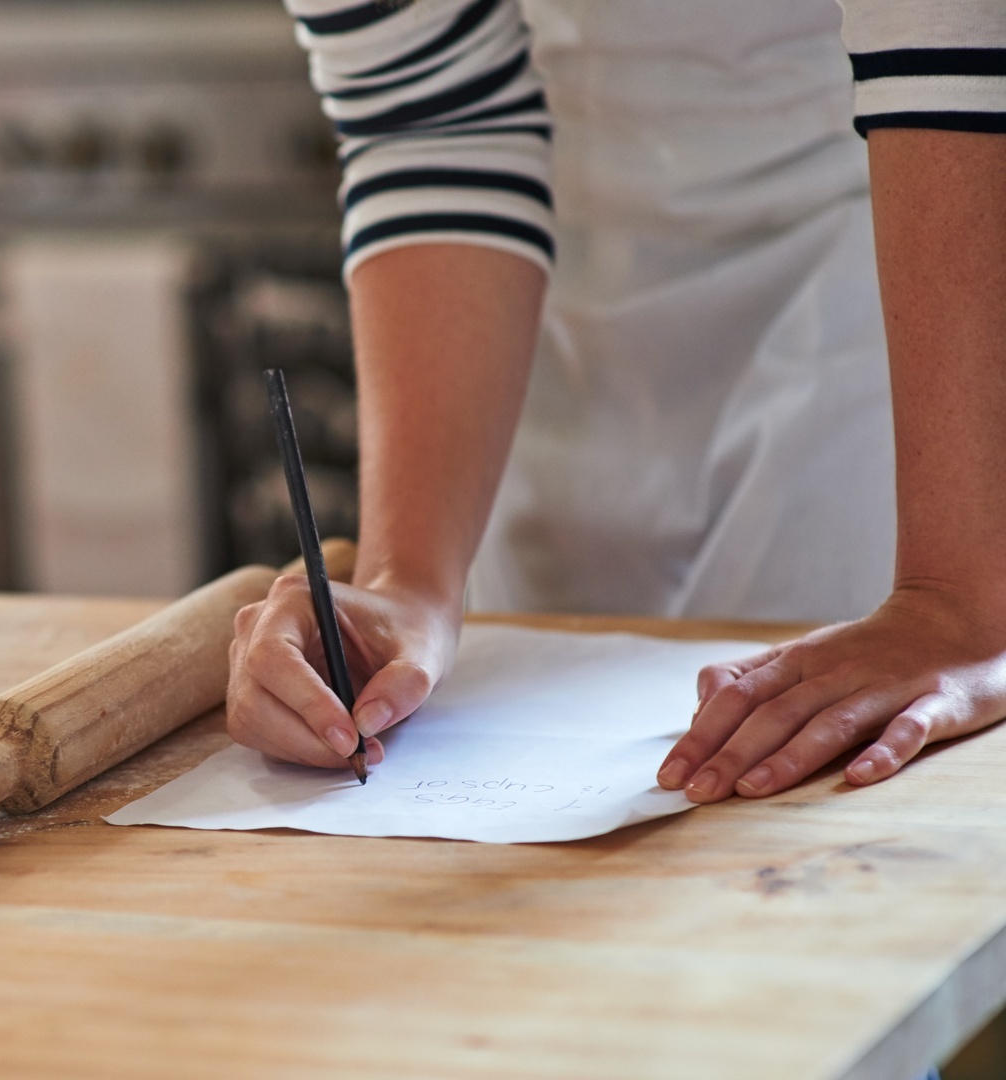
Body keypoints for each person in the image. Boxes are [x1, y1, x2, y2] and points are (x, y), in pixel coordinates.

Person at [228, 0, 1006, 804]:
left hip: (899, 262)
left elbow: (956, 56)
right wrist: (409, 581)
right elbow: (431, 119)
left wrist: (955, 598)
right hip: (532, 307)